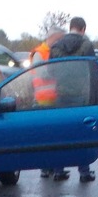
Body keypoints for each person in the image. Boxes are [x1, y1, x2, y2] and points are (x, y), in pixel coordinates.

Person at [49, 16, 96, 182]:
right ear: (83, 29)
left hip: (60, 95)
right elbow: (92, 71)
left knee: (59, 134)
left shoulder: (55, 47)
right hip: (81, 96)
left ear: (70, 27)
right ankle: (84, 172)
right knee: (82, 134)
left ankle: (58, 170)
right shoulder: (87, 45)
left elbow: (49, 72)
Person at [31, 26, 65, 178]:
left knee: (53, 135)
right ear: (54, 37)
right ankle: (45, 167)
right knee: (46, 136)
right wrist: (59, 72)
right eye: (60, 39)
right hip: (43, 99)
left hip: (53, 98)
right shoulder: (40, 52)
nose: (61, 42)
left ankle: (50, 167)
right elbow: (41, 73)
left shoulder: (50, 51)